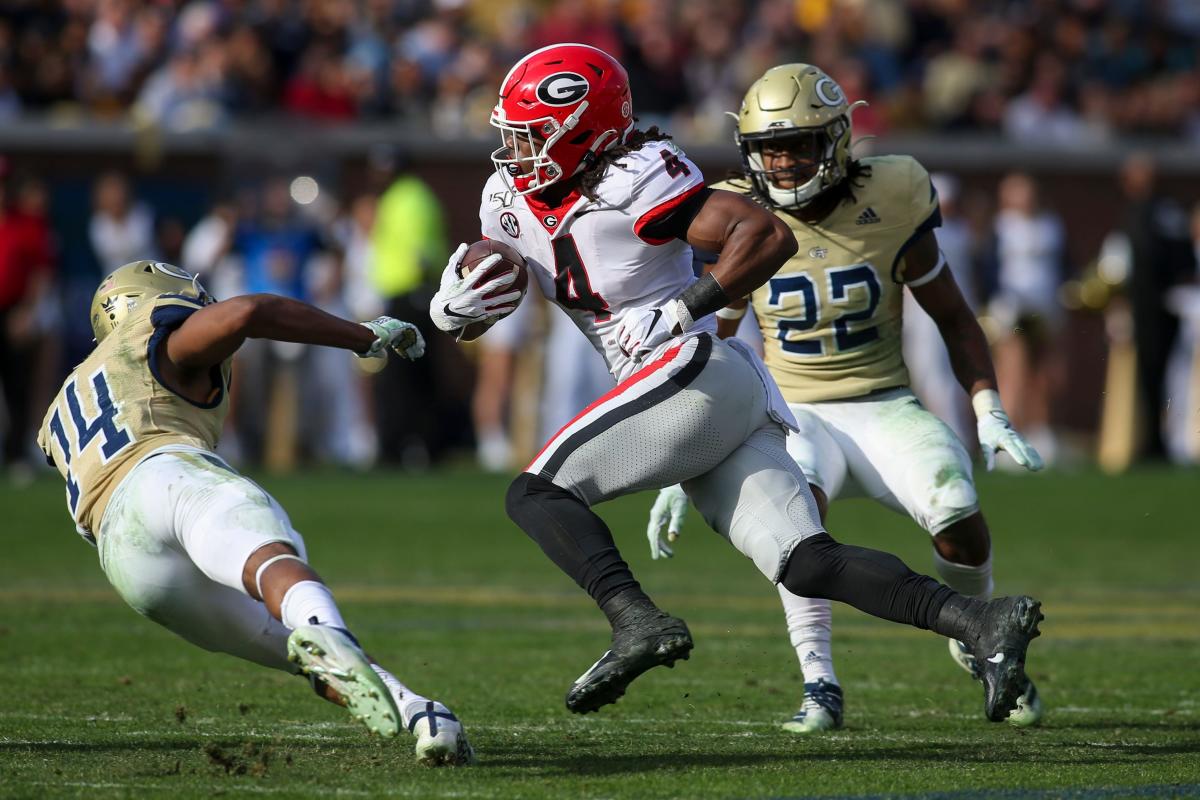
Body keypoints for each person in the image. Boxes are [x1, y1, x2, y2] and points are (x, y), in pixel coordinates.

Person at [429, 44, 1044, 723]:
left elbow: (765, 234)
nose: (516, 149)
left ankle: (635, 621)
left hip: (693, 371)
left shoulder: (638, 177)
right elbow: (501, 270)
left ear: (585, 130)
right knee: (807, 562)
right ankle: (979, 619)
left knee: (535, 493)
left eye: (531, 133)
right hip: (694, 397)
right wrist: (457, 305)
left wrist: (682, 307)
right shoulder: (506, 195)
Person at [644, 64, 1045, 734]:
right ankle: (819, 684)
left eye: (798, 144)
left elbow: (951, 313)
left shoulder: (893, 193)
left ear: (836, 139)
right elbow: (714, 344)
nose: (782, 161)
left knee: (958, 507)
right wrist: (681, 460)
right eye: (769, 147)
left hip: (884, 401)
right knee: (795, 525)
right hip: (792, 410)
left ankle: (979, 637)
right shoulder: (737, 213)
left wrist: (986, 407)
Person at [37, 260, 472, 766]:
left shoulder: (71, 392)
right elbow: (248, 311)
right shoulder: (155, 332)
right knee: (271, 553)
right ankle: (328, 633)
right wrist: (361, 335)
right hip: (164, 476)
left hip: (127, 562)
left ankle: (422, 713)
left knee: (298, 642)